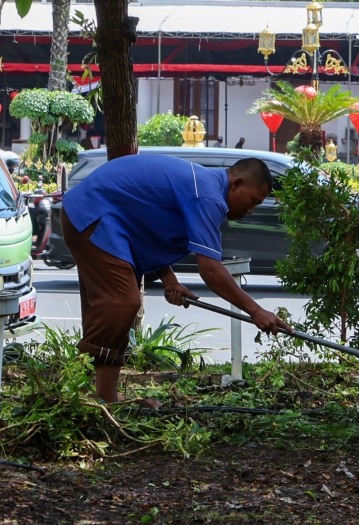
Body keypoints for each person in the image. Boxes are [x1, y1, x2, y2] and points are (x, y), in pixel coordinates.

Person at [61, 154, 292, 403]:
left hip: (102, 217)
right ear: (237, 184)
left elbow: (148, 225)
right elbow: (211, 270)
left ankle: (105, 401)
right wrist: (256, 311)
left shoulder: (204, 186)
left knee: (115, 314)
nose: (251, 210)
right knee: (121, 304)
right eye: (253, 201)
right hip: (92, 212)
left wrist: (168, 278)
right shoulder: (207, 196)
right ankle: (76, 390)